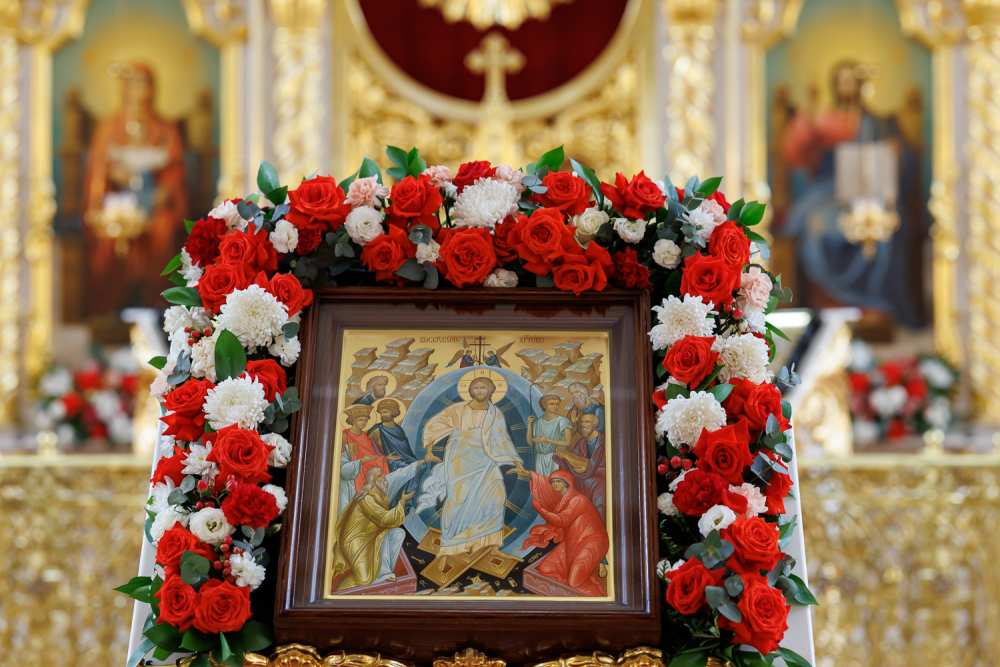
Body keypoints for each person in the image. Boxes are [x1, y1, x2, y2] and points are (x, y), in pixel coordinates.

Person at [83, 62, 186, 315]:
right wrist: (111, 175)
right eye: (134, 84)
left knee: (162, 230)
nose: (140, 91)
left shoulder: (165, 129)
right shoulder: (109, 128)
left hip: (155, 203)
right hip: (117, 202)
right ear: (125, 88)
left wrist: (163, 192)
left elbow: (174, 171)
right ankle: (108, 310)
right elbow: (98, 170)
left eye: (145, 83)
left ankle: (157, 305)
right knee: (108, 237)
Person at [418, 375, 525, 556]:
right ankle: (452, 546)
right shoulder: (458, 409)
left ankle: (490, 545)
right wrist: (429, 450)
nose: (480, 391)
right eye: (476, 387)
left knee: (496, 497)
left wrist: (516, 462)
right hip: (460, 460)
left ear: (491, 391)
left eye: (483, 387)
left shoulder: (495, 413)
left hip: (486, 460)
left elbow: (502, 439)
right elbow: (436, 425)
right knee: (458, 500)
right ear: (470, 391)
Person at [522, 471, 609, 596]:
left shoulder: (578, 500)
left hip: (592, 542)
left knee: (574, 582)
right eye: (553, 482)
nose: (555, 484)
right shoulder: (563, 501)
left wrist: (540, 509)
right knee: (545, 568)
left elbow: (562, 520)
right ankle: (584, 571)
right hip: (572, 541)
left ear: (567, 483)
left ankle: (593, 582)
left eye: (558, 481)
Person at [330, 468, 415, 591]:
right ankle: (342, 589)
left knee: (397, 533)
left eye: (383, 476)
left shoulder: (379, 496)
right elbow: (384, 519)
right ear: (373, 481)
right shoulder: (367, 498)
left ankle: (384, 573)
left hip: (371, 537)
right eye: (380, 477)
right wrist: (402, 502)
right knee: (364, 580)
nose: (385, 480)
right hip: (355, 541)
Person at [368, 398, 419, 502]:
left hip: (401, 459)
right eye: (381, 412)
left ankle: (409, 498)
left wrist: (411, 460)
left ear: (393, 412)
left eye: (385, 412)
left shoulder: (399, 429)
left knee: (418, 465)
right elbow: (369, 451)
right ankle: (403, 498)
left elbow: (406, 450)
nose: (382, 415)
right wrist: (386, 458)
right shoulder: (377, 430)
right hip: (386, 462)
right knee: (406, 467)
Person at [556, 413, 606, 517]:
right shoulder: (582, 442)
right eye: (582, 422)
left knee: (598, 487)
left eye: (587, 422)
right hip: (583, 476)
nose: (583, 424)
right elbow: (574, 459)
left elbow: (592, 465)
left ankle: (596, 517)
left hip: (600, 476)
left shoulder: (604, 441)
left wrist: (570, 457)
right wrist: (565, 458)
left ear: (595, 425)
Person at [342, 404, 396, 492]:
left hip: (370, 467)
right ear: (353, 420)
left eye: (366, 420)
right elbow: (343, 460)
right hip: (356, 470)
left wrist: (385, 458)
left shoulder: (367, 436)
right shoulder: (345, 435)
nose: (363, 423)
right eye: (360, 420)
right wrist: (362, 461)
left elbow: (373, 455)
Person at [526, 392, 572, 476]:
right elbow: (530, 442)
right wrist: (529, 425)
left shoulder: (562, 421)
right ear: (544, 405)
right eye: (552, 404)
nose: (555, 406)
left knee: (554, 480)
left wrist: (548, 440)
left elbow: (567, 442)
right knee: (541, 481)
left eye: (557, 404)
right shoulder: (537, 422)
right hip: (540, 458)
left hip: (555, 458)